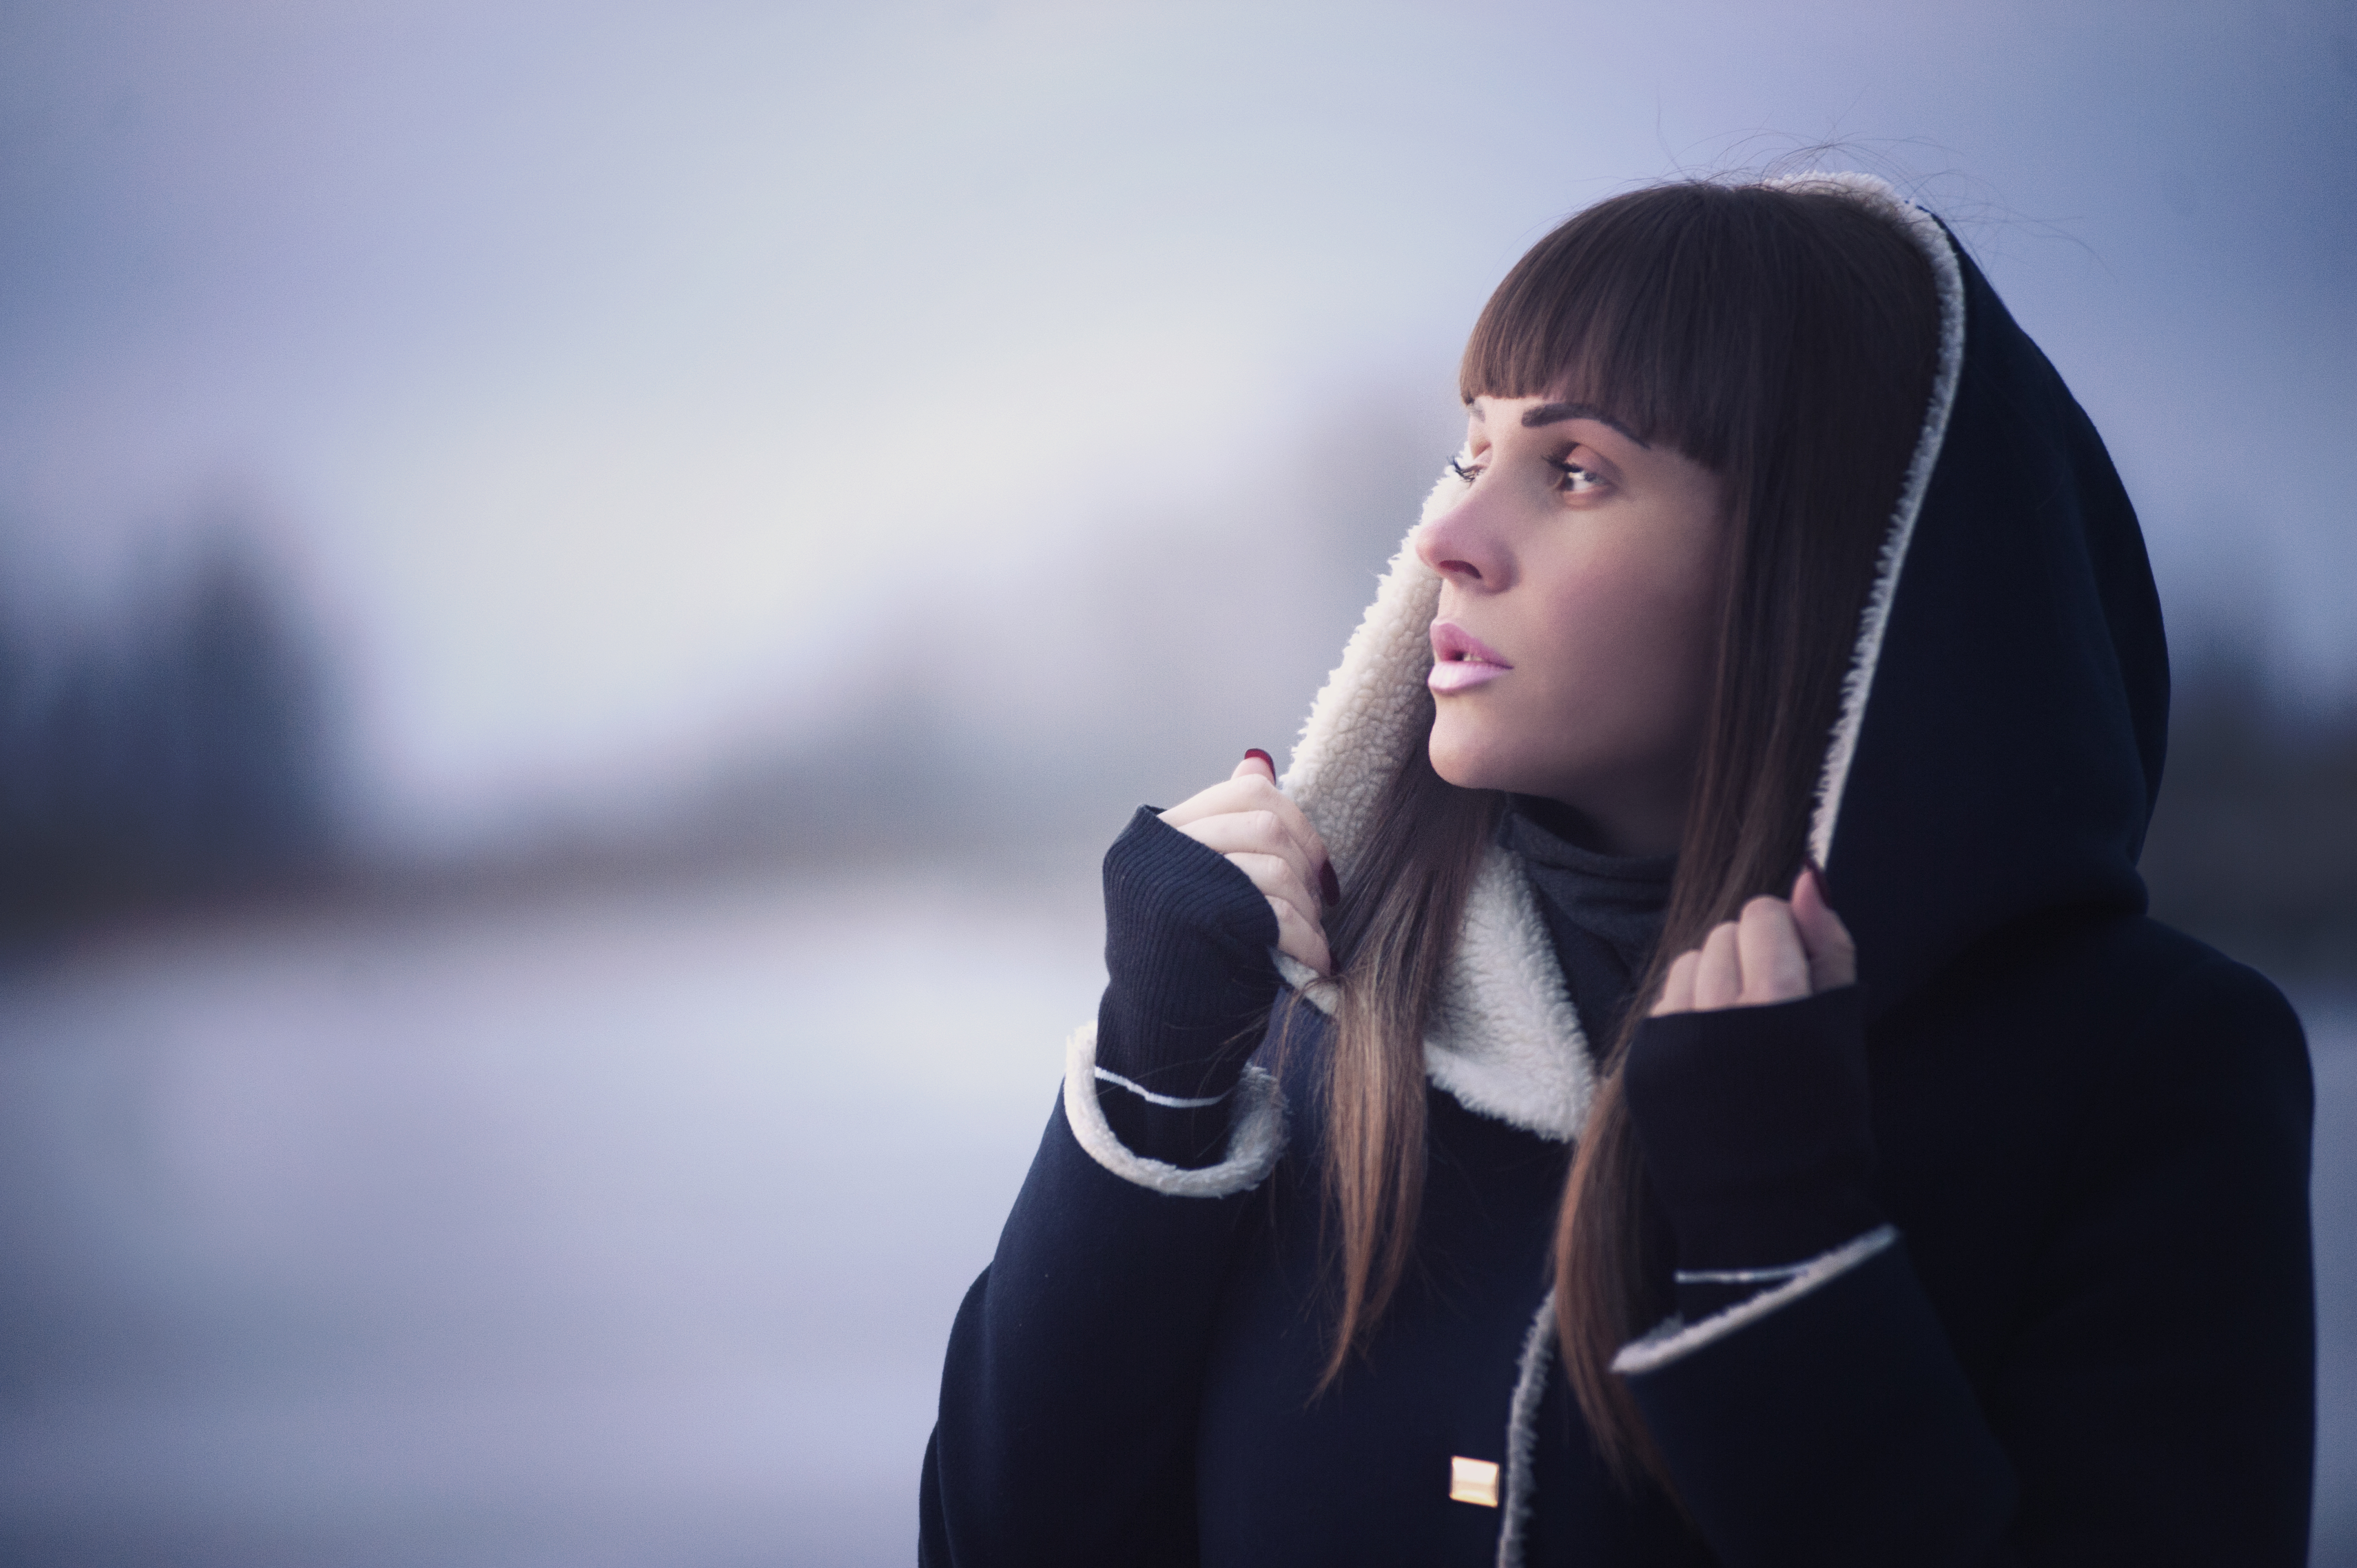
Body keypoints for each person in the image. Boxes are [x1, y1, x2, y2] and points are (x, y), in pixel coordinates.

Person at [917, 172, 2315, 1565]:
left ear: (1828, 555)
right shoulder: (1318, 1001)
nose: (1443, 539)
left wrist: (1784, 1251)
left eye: (1575, 469)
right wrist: (1150, 1092)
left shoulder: (2144, 1068)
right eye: (1473, 454)